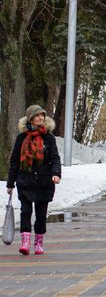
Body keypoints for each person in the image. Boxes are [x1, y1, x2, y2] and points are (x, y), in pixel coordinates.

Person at [6, 105, 61, 255]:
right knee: (25, 212)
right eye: (37, 116)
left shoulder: (48, 137)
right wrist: (10, 183)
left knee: (41, 215)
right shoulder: (21, 138)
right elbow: (15, 162)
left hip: (44, 182)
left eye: (42, 116)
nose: (40, 118)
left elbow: (55, 158)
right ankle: (25, 243)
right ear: (30, 118)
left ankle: (38, 243)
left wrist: (56, 173)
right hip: (26, 180)